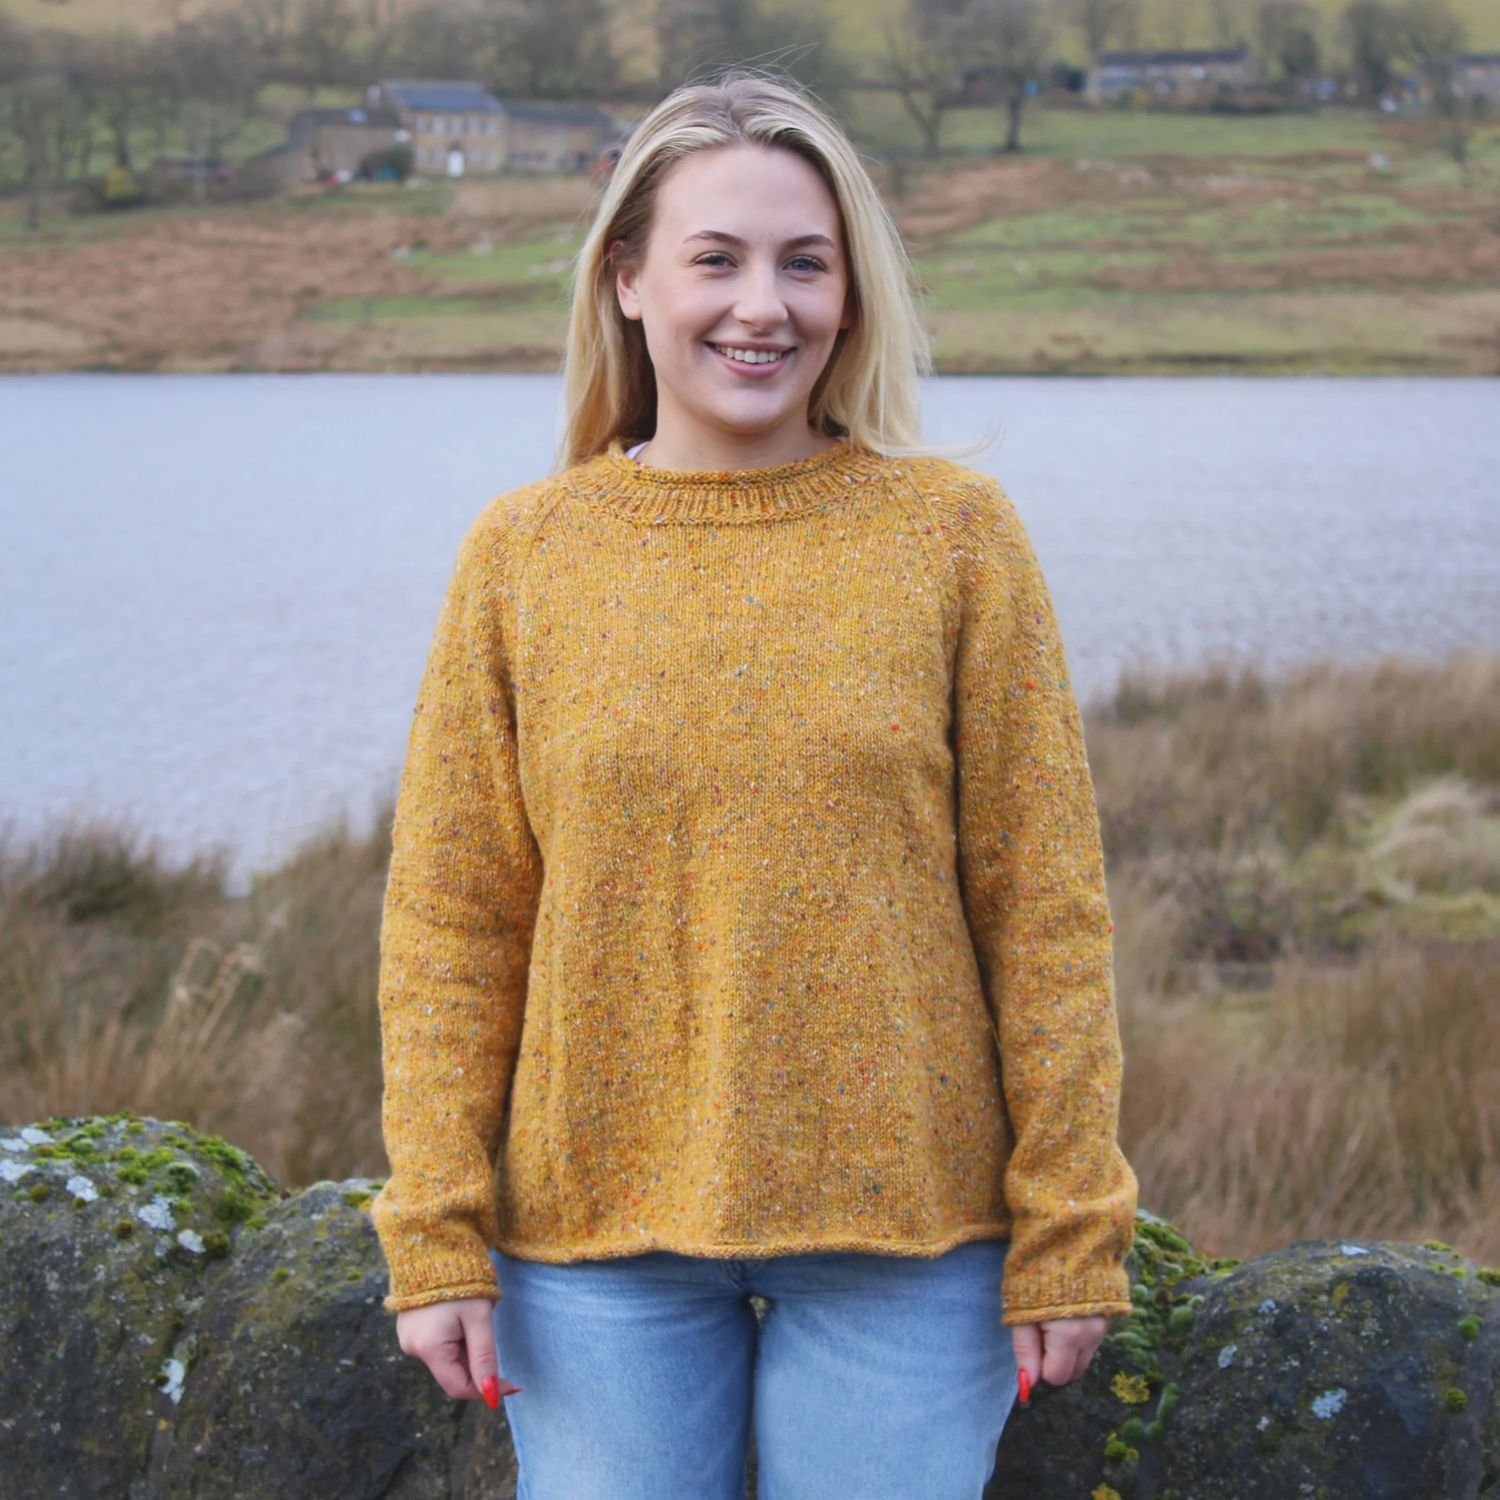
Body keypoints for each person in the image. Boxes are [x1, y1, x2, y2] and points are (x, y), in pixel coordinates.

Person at [370, 67, 1139, 1500]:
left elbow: (1044, 904)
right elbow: (453, 924)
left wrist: (1072, 1224)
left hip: (916, 1242)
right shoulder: (525, 555)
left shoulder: (955, 539)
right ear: (627, 279)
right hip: (593, 1242)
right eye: (714, 259)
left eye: (806, 262)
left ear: (853, 292)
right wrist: (433, 1226)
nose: (761, 306)